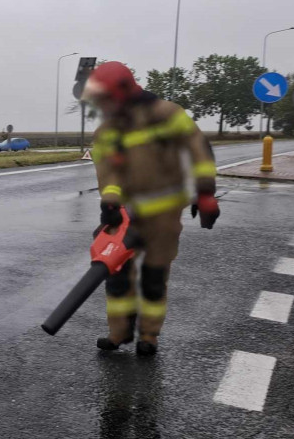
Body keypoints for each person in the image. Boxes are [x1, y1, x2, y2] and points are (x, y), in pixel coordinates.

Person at [83, 61, 219, 356]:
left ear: (123, 91)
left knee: (155, 278)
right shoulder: (106, 132)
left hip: (164, 214)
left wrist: (206, 191)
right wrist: (110, 201)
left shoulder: (167, 115)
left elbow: (199, 149)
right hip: (125, 216)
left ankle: (149, 337)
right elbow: (108, 173)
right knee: (116, 276)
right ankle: (118, 334)